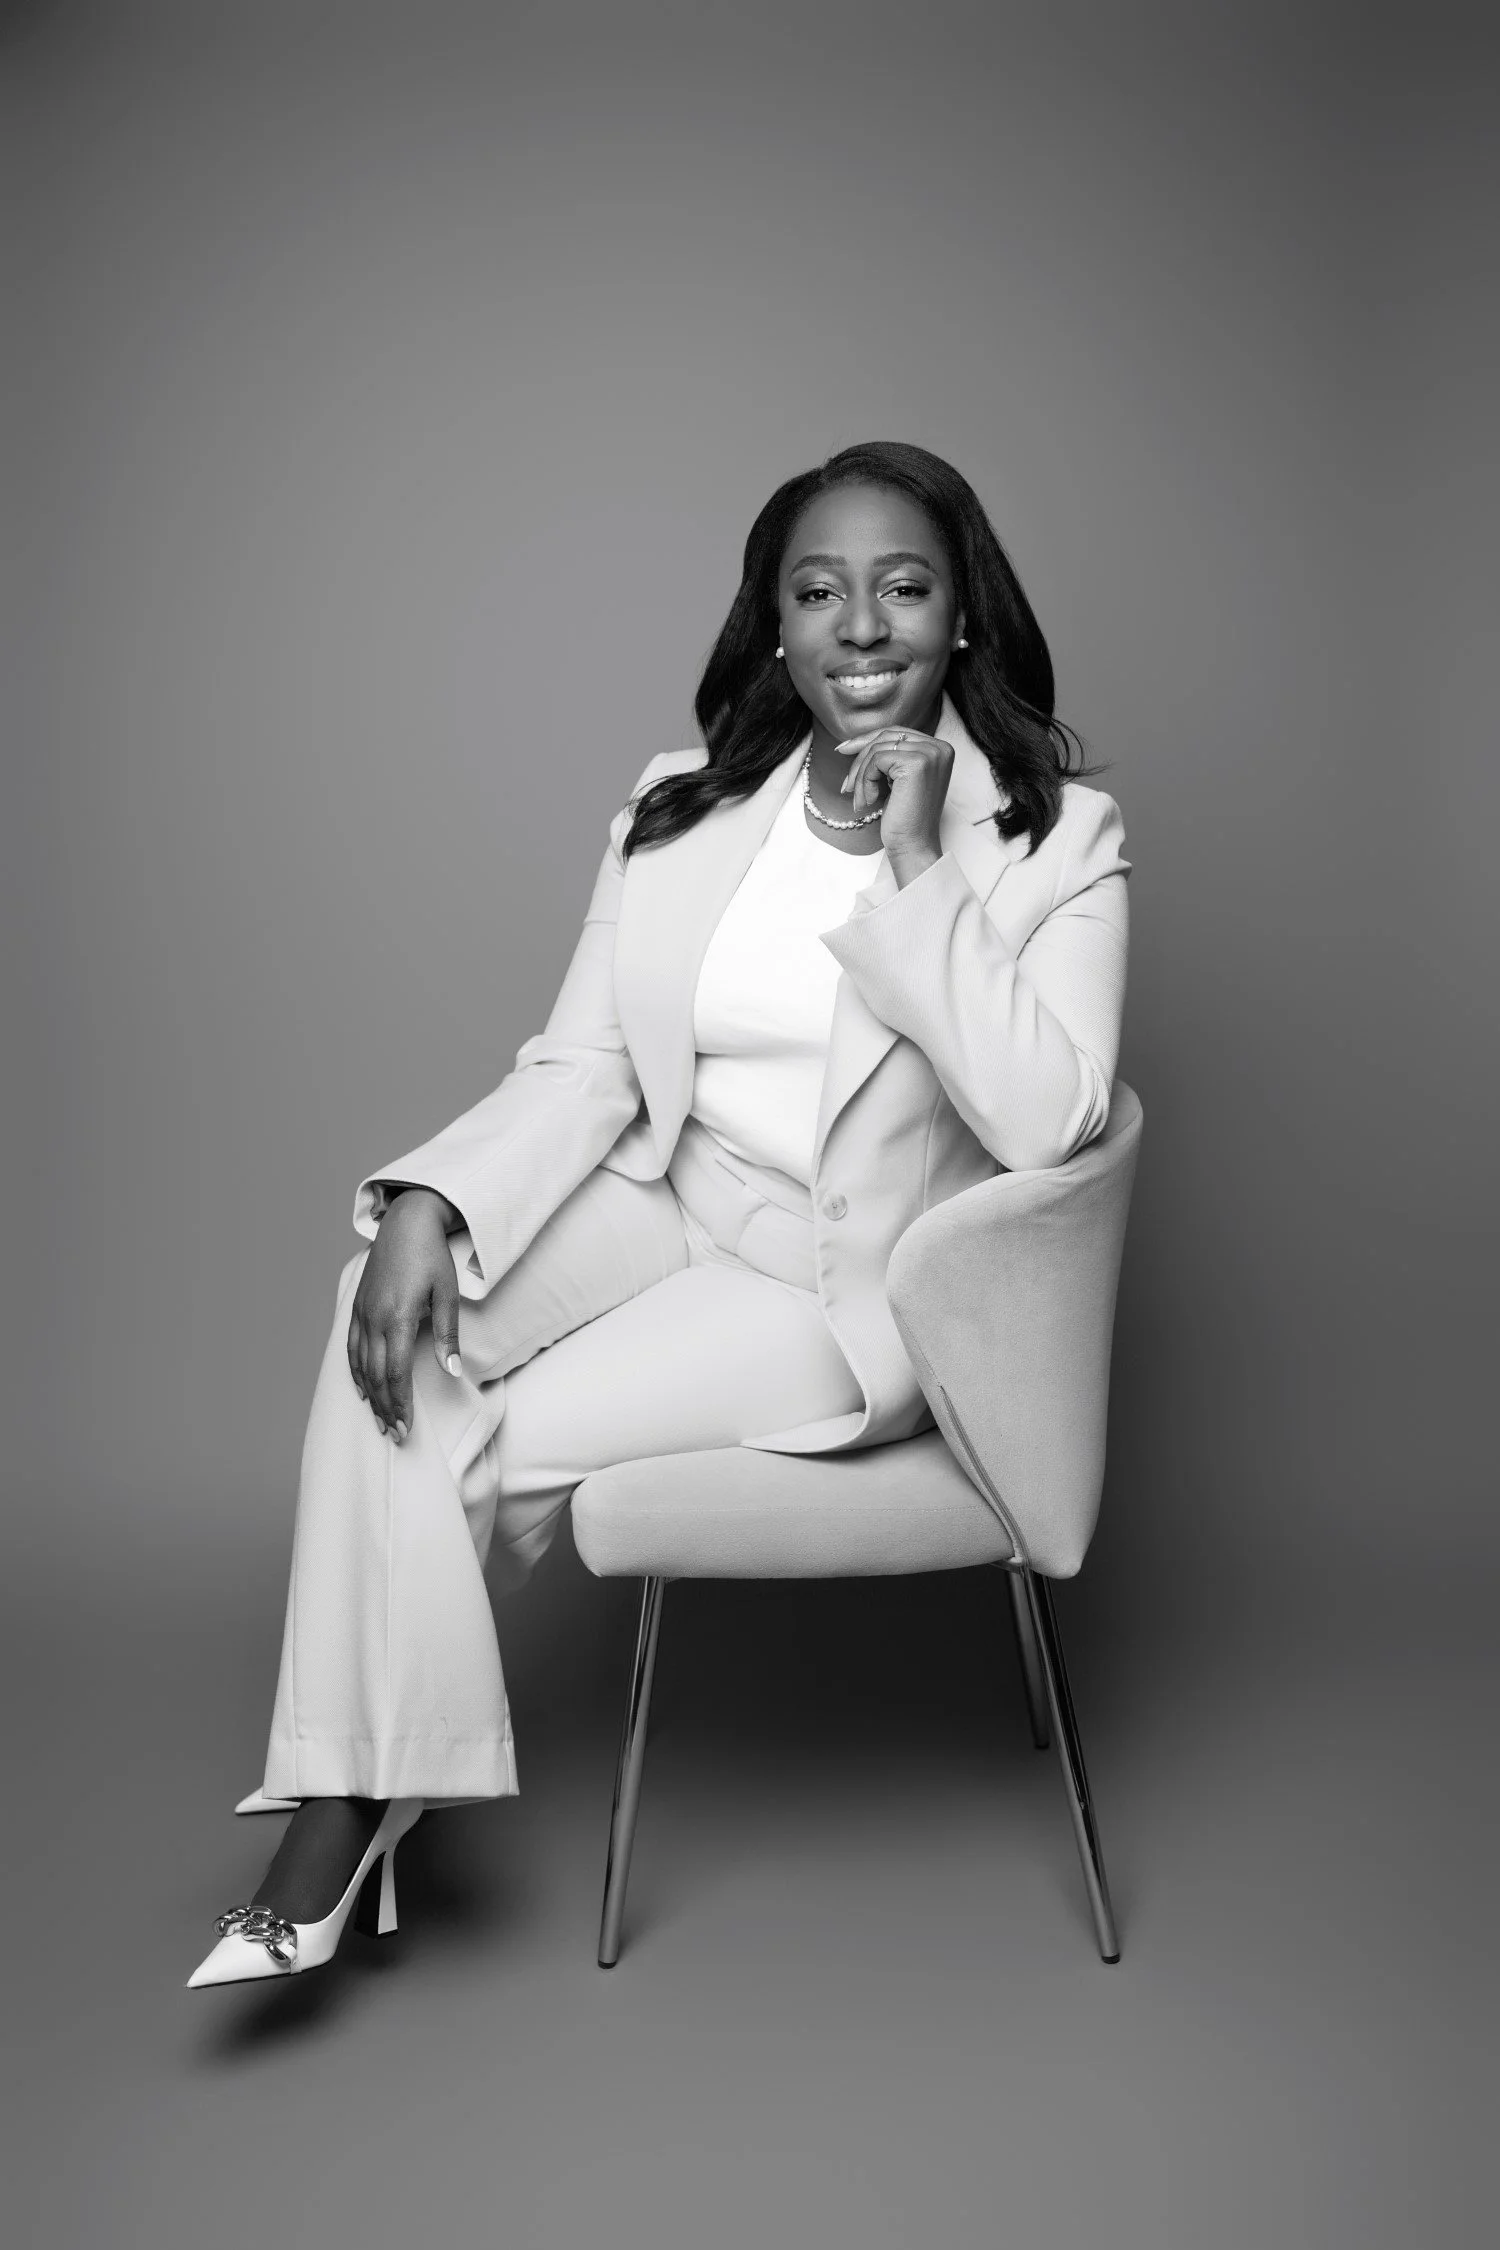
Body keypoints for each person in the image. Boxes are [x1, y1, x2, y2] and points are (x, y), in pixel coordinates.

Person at [187, 438, 1131, 1987]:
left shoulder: (1058, 837)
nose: (862, 627)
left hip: (842, 1286)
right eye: (819, 591)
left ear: (965, 614)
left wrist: (912, 870)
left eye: (905, 587)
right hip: (674, 1198)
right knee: (386, 1305)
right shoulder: (684, 806)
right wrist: (428, 1197)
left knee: (471, 1431)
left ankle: (343, 1809)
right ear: (774, 622)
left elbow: (1050, 1119)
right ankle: (364, 1781)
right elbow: (587, 1064)